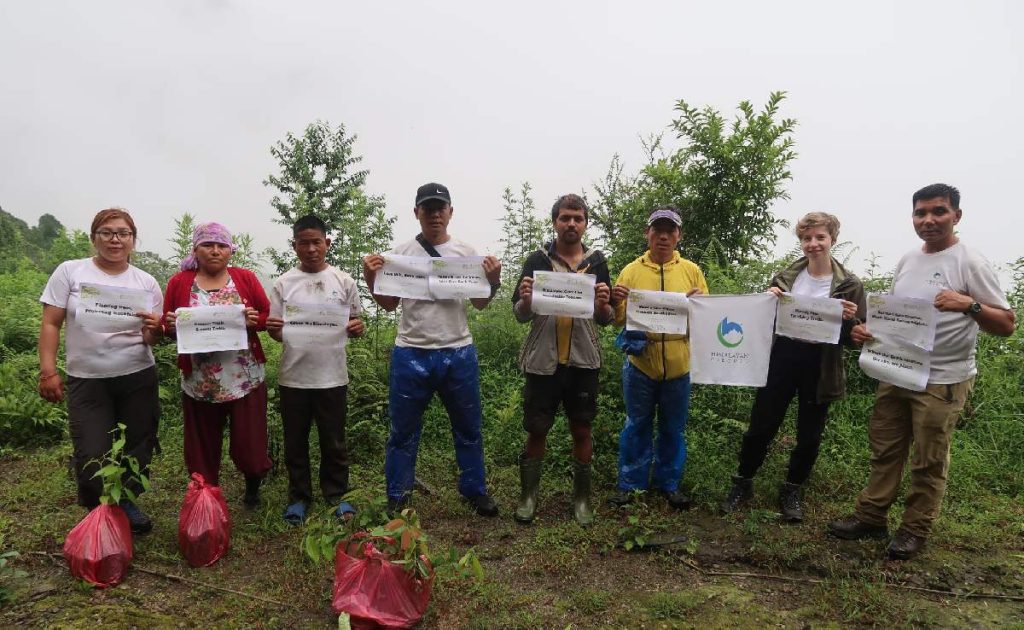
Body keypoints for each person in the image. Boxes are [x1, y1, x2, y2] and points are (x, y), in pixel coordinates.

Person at [828, 184, 1015, 559]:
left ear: (956, 216)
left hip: (942, 379)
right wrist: (868, 332)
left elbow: (1007, 324)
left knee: (929, 459)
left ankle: (914, 529)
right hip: (896, 370)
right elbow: (898, 317)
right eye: (921, 213)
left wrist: (969, 305)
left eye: (938, 211)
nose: (928, 220)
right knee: (885, 449)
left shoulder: (970, 262)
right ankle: (871, 516)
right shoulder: (909, 260)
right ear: (912, 217)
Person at [363, 182, 501, 516]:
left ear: (451, 212)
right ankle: (398, 495)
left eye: (441, 208)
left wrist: (494, 280)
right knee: (402, 430)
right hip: (411, 351)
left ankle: (475, 490)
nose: (435, 215)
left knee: (468, 426)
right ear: (417, 213)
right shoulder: (400, 255)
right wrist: (370, 278)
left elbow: (481, 303)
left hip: (458, 350)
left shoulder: (467, 253)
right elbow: (388, 304)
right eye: (428, 208)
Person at [719, 212, 865, 522]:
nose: (813, 244)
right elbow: (763, 319)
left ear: (832, 239)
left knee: (810, 434)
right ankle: (743, 482)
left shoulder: (850, 284)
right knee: (761, 425)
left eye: (820, 237)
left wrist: (850, 320)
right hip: (782, 355)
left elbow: (856, 336)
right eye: (807, 238)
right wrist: (768, 298)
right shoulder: (786, 276)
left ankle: (792, 489)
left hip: (821, 362)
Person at [38, 208, 163, 533]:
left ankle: (127, 501)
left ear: (133, 240)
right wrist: (48, 371)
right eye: (107, 232)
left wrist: (155, 329)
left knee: (139, 444)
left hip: (137, 375)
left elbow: (150, 337)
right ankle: (98, 510)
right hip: (87, 379)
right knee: (92, 449)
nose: (115, 239)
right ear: (94, 237)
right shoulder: (70, 272)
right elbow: (51, 323)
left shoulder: (146, 282)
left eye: (123, 233)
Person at [511, 194, 614, 526]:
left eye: (578, 218)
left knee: (582, 428)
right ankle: (528, 497)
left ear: (585, 224)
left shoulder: (597, 263)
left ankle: (582, 500)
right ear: (555, 221)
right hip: (543, 360)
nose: (571, 223)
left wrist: (603, 305)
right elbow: (520, 315)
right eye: (565, 217)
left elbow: (606, 319)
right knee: (536, 428)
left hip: (584, 361)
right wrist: (526, 300)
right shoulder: (537, 260)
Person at [163, 222, 273, 507]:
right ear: (195, 250)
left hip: (244, 377)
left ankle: (253, 482)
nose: (215, 251)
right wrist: (170, 325)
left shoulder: (245, 278)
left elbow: (266, 315)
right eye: (207, 245)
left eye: (221, 245)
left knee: (250, 445)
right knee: (202, 446)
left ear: (230, 250)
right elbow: (167, 324)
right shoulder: (179, 282)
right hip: (200, 381)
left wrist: (255, 320)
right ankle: (205, 495)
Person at [266, 215, 364, 525]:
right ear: (294, 245)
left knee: (334, 440)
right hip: (294, 377)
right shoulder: (283, 284)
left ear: (327, 243)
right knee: (295, 442)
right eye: (304, 243)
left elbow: (355, 322)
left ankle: (337, 495)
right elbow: (277, 331)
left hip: (332, 376)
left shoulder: (343, 281)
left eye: (316, 242)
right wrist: (274, 330)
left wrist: (357, 327)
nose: (311, 249)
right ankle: (299, 497)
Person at [608, 207, 708, 510]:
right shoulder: (631, 270)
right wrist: (616, 301)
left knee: (673, 428)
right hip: (640, 363)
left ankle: (669, 484)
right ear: (647, 234)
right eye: (657, 230)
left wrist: (700, 305)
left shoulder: (691, 271)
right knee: (636, 424)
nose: (663, 236)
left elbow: (704, 320)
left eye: (670, 231)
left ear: (679, 236)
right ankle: (631, 484)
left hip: (679, 365)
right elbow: (617, 319)